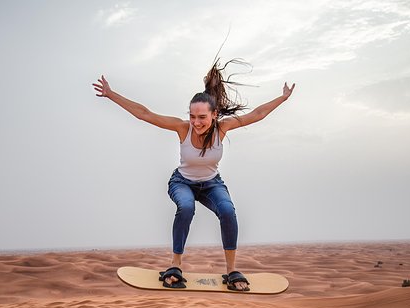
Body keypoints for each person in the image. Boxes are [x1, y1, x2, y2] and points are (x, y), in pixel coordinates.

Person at [93, 59, 295, 291]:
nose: (196, 122)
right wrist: (111, 94)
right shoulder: (182, 128)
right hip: (182, 183)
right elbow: (144, 114)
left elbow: (258, 113)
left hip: (211, 184)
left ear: (214, 115)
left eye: (202, 117)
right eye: (192, 116)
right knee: (186, 207)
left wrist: (283, 98)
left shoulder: (223, 128)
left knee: (228, 211)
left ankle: (231, 271)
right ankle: (175, 265)